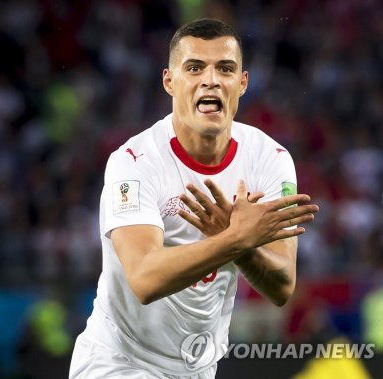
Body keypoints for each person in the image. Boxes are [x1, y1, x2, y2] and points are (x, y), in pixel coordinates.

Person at [69, 18, 320, 379]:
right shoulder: (133, 163)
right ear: (169, 81)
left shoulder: (271, 159)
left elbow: (282, 287)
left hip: (198, 368)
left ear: (242, 83)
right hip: (120, 362)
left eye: (225, 68)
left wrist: (243, 247)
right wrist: (233, 239)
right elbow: (144, 278)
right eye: (195, 68)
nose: (211, 79)